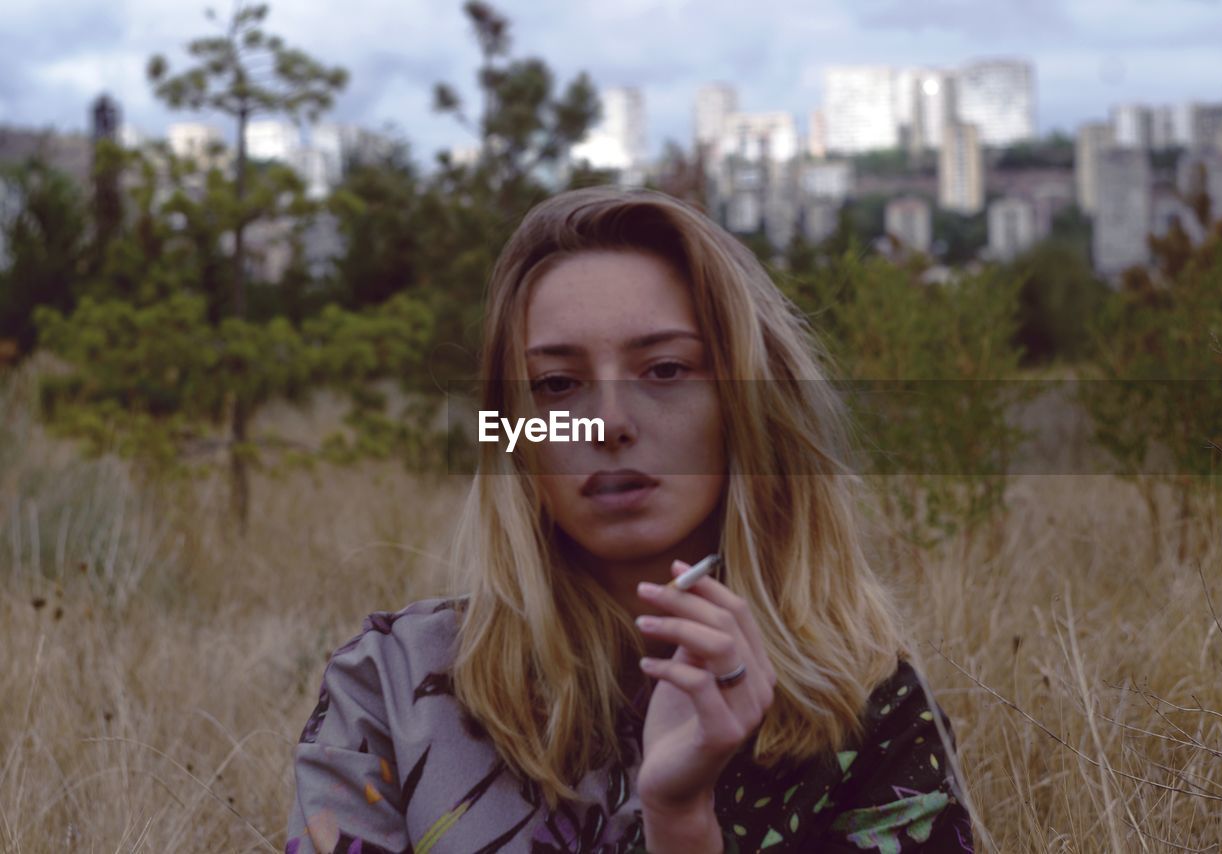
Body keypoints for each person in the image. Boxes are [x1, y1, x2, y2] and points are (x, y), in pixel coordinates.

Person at [286, 186, 974, 853]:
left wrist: (679, 823)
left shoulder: (869, 718)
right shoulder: (392, 691)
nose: (609, 423)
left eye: (666, 370)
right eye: (557, 384)